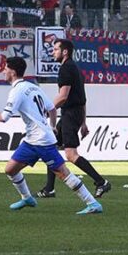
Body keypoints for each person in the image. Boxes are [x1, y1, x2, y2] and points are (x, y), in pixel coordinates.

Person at [0, 57, 102, 214]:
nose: (3, 70)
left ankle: (93, 203)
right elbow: (51, 108)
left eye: (5, 68)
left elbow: (3, 118)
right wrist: (52, 126)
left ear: (13, 72)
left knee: (63, 174)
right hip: (32, 139)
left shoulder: (17, 91)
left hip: (41, 141)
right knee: (10, 169)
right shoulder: (33, 87)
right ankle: (27, 198)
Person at [37, 38, 111, 199]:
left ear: (65, 52)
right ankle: (49, 188)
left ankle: (101, 182)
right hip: (74, 113)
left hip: (70, 113)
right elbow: (82, 98)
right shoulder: (75, 68)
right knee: (52, 146)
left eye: (56, 49)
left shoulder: (66, 69)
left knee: (70, 154)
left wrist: (45, 110)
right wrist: (83, 122)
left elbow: (63, 97)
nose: (53, 52)